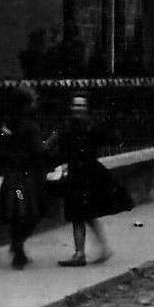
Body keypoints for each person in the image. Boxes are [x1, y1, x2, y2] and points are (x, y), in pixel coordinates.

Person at [50, 94, 133, 266]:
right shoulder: (67, 128)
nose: (78, 108)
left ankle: (82, 253)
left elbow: (107, 140)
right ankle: (95, 250)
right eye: (75, 105)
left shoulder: (92, 127)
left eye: (81, 105)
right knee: (82, 215)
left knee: (83, 214)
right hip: (76, 174)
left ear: (86, 108)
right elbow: (59, 147)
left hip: (89, 174)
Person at [0, 86, 48, 269]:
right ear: (26, 105)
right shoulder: (30, 126)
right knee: (29, 213)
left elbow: (2, 140)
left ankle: (17, 247)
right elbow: (38, 150)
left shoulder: (9, 124)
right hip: (26, 179)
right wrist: (49, 143)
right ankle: (18, 248)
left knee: (18, 211)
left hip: (13, 176)